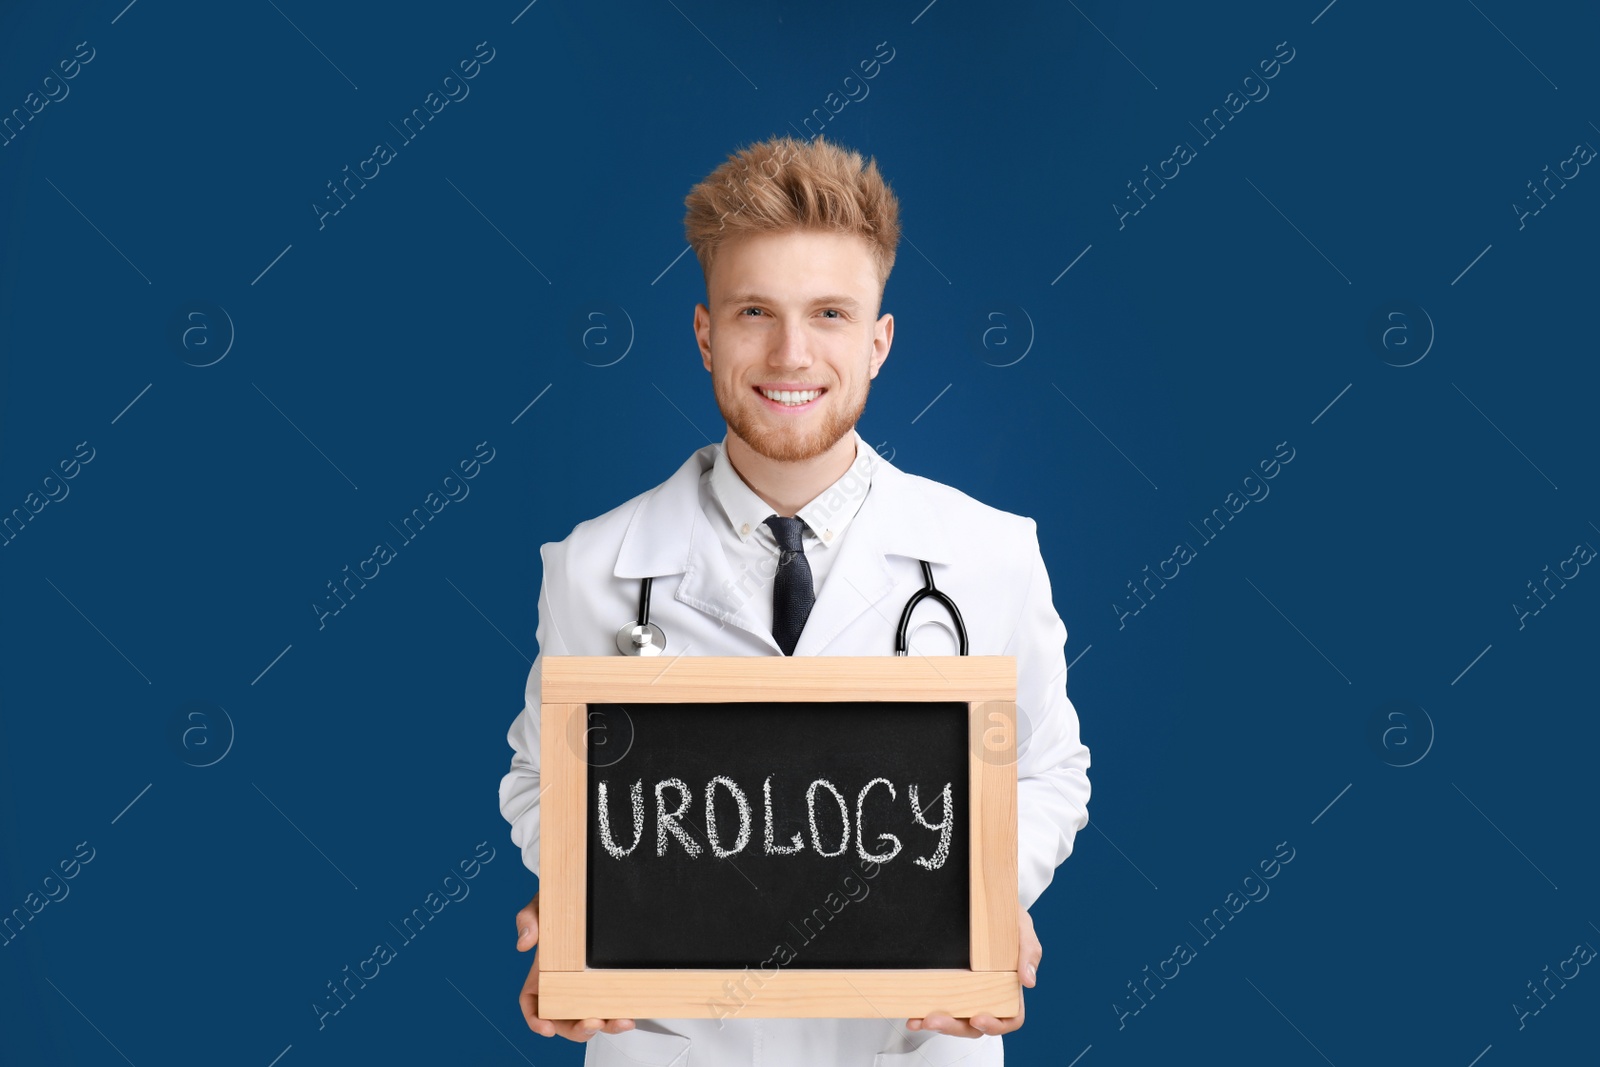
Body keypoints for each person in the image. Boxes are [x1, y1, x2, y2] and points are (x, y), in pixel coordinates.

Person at [498, 134, 1091, 1066]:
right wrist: (584, 902)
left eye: (829, 313)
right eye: (753, 312)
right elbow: (541, 778)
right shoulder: (594, 567)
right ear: (704, 335)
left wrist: (986, 899)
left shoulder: (991, 555)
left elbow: (1051, 770)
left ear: (878, 342)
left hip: (911, 1043)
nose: (791, 352)